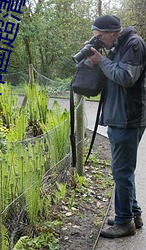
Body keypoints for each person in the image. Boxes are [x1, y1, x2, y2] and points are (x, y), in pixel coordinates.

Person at [88, 15, 146, 238]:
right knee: (123, 171)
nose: (99, 41)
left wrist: (101, 61)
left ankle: (124, 223)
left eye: (100, 37)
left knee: (121, 171)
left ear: (112, 32)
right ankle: (133, 214)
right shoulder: (117, 46)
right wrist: (98, 59)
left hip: (128, 118)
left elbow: (125, 77)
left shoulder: (134, 44)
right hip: (118, 117)